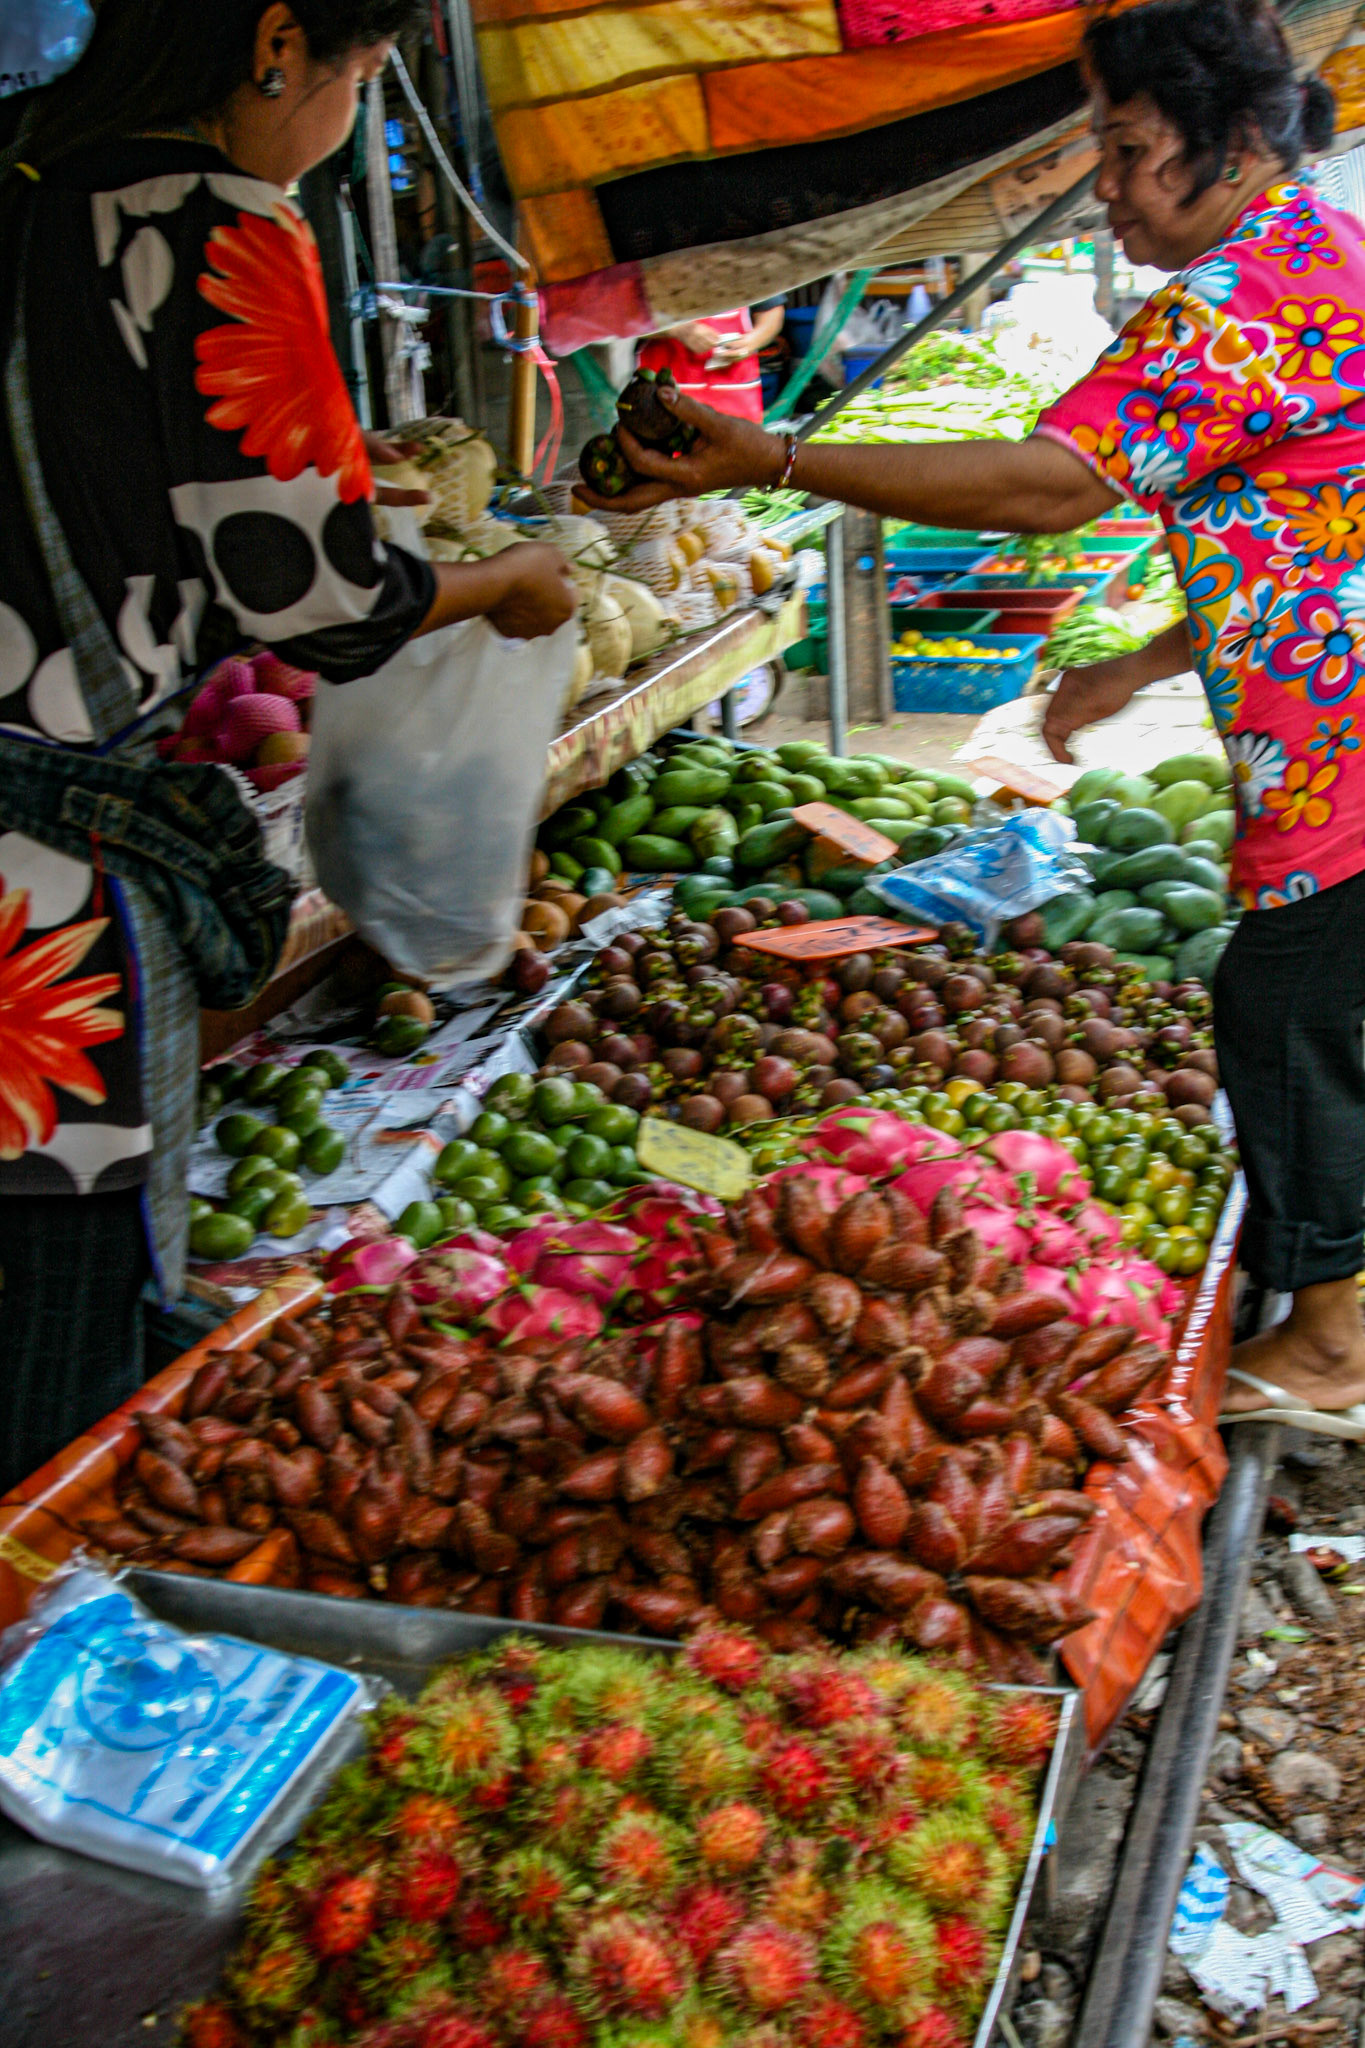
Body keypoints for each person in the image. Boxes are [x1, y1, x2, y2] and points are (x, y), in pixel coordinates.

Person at [582, 0, 1365, 1438]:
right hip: (1322, 707)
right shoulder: (1316, 247)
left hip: (1342, 747)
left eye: (1129, 149)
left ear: (1237, 137)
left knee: (1288, 1005)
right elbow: (1323, 521)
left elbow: (1051, 485)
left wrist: (776, 458)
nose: (1104, 186)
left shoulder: (1249, 290)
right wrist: (1139, 666)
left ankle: (1335, 1348)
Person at [0, 0, 575, 1495]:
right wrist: (501, 582)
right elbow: (311, 595)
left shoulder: (20, 188)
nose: (350, 110)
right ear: (275, 39)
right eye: (367, 70)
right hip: (35, 899)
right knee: (53, 1329)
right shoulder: (206, 213)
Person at [636, 300, 786, 423]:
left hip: (736, 396)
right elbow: (627, 316)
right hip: (664, 397)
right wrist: (678, 329)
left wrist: (751, 342)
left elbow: (771, 312)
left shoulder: (750, 270)